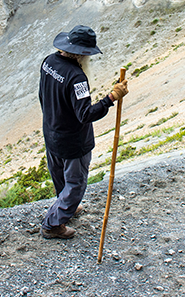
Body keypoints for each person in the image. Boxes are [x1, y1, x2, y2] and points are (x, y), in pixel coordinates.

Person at [38, 25, 129, 239]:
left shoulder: (49, 62)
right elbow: (85, 115)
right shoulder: (77, 77)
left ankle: (66, 206)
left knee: (60, 176)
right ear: (82, 53)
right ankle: (53, 224)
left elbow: (43, 95)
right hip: (73, 141)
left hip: (52, 133)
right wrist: (111, 99)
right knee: (76, 183)